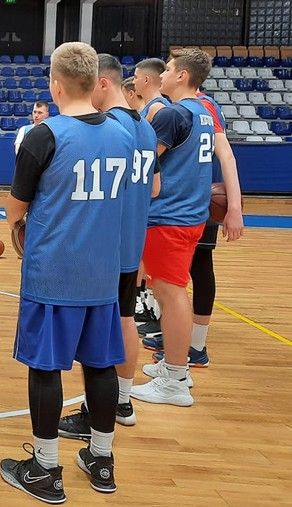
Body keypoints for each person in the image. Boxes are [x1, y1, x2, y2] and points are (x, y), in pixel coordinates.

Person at [0, 42, 134, 503]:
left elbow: (15, 208)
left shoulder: (44, 136)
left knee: (45, 369)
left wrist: (22, 226)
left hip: (54, 272)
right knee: (101, 366)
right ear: (95, 82)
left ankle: (45, 468)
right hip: (102, 272)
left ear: (55, 86)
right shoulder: (122, 134)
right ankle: (102, 459)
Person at [58, 54, 160, 439]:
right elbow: (154, 188)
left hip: (105, 244)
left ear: (102, 83)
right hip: (131, 241)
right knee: (125, 319)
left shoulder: (109, 127)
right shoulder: (144, 126)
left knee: (99, 334)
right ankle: (122, 401)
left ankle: (98, 414)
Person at [130, 48, 216, 407]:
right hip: (192, 214)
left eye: (167, 69)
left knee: (171, 293)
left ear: (182, 75)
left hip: (170, 216)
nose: (162, 75)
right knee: (171, 290)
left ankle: (176, 379)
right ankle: (174, 366)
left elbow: (144, 164)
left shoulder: (173, 114)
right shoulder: (204, 111)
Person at [142, 89, 245, 364]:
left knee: (198, 268)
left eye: (169, 68)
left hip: (192, 202)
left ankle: (196, 344)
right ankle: (175, 334)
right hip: (188, 201)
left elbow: (227, 156)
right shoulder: (180, 108)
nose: (164, 73)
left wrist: (234, 207)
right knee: (172, 279)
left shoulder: (203, 106)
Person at [133, 58, 170, 122]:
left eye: (136, 77)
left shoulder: (156, 107)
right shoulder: (150, 105)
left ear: (146, 80)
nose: (133, 82)